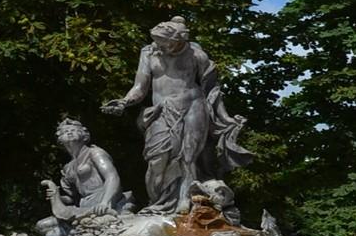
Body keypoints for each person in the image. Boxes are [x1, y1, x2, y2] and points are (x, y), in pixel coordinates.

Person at [103, 17, 252, 211]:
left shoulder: (196, 55)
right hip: (162, 111)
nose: (161, 47)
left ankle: (184, 200)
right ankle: (157, 203)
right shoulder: (149, 53)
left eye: (165, 43)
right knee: (157, 160)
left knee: (188, 156)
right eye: (158, 42)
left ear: (179, 40)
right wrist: (124, 102)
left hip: (193, 106)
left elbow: (212, 89)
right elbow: (140, 87)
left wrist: (224, 118)